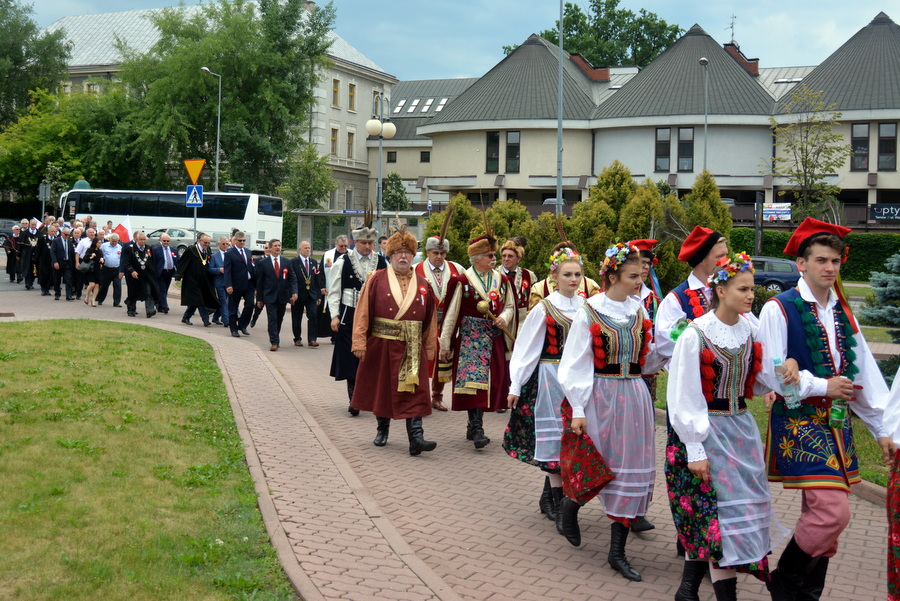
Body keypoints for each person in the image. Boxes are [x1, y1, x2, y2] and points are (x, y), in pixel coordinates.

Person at [757, 218, 893, 601]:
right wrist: (822, 385)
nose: (830, 268)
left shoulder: (843, 312)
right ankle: (785, 580)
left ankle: (805, 593)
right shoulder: (778, 308)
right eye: (821, 260)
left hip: (837, 425)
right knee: (832, 513)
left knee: (824, 519)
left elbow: (863, 371)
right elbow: (772, 373)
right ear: (801, 263)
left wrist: (882, 427)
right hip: (799, 421)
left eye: (835, 260)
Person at [667, 252, 789, 601]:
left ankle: (688, 589)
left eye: (752, 289)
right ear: (720, 290)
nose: (751, 296)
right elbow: (684, 395)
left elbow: (763, 380)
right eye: (743, 289)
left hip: (741, 429)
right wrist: (695, 447)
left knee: (736, 516)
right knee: (715, 517)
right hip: (707, 431)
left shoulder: (751, 329)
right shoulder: (696, 334)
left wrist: (787, 375)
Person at [557, 242, 663, 582]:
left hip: (634, 396)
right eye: (632, 275)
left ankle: (617, 552)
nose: (639, 281)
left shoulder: (639, 310)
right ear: (613, 275)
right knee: (596, 464)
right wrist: (577, 406)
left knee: (630, 469)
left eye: (641, 274)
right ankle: (569, 507)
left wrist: (672, 350)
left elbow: (645, 358)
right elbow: (574, 362)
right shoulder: (590, 310)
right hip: (600, 395)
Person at [503, 243, 585, 528]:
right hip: (550, 377)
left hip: (578, 380)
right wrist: (516, 385)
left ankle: (551, 497)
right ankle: (557, 500)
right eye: (567, 275)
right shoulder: (545, 308)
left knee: (573, 439)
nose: (573, 280)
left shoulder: (586, 307)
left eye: (577, 274)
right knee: (555, 439)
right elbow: (526, 348)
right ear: (555, 277)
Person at [350, 228, 438, 455]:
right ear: (390, 255)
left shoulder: (423, 284)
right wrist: (359, 342)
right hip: (382, 344)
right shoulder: (376, 279)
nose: (403, 257)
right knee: (383, 389)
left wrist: (430, 347)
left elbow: (430, 319)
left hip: (412, 347)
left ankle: (416, 438)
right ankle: (382, 429)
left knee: (415, 391)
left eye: (407, 253)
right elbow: (363, 313)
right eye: (398, 252)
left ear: (413, 256)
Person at [438, 231, 515, 449]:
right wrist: (445, 344)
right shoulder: (462, 281)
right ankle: (478, 428)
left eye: (494, 255)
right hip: (471, 339)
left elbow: (509, 306)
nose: (494, 259)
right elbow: (452, 313)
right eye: (490, 255)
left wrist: (503, 318)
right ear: (477, 258)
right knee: (474, 385)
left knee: (490, 384)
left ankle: (473, 426)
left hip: (494, 338)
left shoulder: (503, 280)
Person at [328, 221, 387, 415]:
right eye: (363, 243)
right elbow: (334, 291)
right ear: (355, 242)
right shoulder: (343, 261)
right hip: (349, 313)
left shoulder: (381, 262)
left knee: (370, 356)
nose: (367, 247)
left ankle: (367, 396)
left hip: (373, 315)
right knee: (349, 357)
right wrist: (334, 316)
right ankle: (354, 399)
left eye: (370, 243)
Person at [656, 226, 730, 364]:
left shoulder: (730, 292)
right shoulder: (675, 299)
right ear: (701, 260)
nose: (726, 261)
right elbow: (664, 344)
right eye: (719, 256)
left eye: (726, 255)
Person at [414, 235, 464, 412]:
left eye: (443, 253)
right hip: (424, 324)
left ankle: (437, 396)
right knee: (421, 359)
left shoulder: (457, 269)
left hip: (447, 324)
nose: (439, 256)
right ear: (427, 252)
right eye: (435, 252)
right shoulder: (416, 269)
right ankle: (419, 396)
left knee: (444, 360)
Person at [255, 239, 298, 351]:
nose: (278, 248)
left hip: (283, 296)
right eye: (275, 246)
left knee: (279, 318)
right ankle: (274, 341)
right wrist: (259, 298)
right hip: (269, 296)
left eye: (279, 245)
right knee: (272, 319)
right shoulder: (263, 263)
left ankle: (275, 336)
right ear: (270, 248)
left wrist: (294, 292)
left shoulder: (286, 262)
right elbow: (260, 282)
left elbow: (292, 278)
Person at [176, 233, 218, 326]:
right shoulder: (191, 250)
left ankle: (186, 317)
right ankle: (206, 320)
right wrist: (178, 275)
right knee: (199, 300)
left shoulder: (207, 250)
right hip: (191, 280)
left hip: (203, 280)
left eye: (208, 243)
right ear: (199, 240)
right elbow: (182, 262)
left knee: (195, 301)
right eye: (205, 242)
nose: (207, 244)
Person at [223, 231, 256, 337]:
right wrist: (228, 285)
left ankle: (242, 325)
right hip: (235, 285)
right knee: (233, 307)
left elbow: (251, 267)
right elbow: (227, 271)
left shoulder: (248, 252)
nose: (242, 242)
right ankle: (233, 329)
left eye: (244, 240)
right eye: (240, 240)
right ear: (235, 240)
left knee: (250, 305)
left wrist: (255, 285)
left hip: (248, 284)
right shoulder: (229, 253)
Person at [290, 240, 322, 347]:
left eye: (309, 248)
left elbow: (317, 279)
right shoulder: (294, 262)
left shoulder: (313, 262)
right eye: (305, 248)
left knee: (313, 315)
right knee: (297, 317)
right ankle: (297, 338)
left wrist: (318, 295)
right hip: (298, 294)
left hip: (311, 294)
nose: (308, 250)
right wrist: (292, 293)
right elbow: (291, 279)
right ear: (300, 250)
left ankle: (312, 339)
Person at [122, 231, 159, 317]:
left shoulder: (148, 248)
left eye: (144, 239)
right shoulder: (130, 249)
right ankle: (131, 310)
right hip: (134, 276)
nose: (143, 241)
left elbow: (151, 261)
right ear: (136, 239)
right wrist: (132, 271)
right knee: (133, 292)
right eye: (141, 239)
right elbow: (127, 262)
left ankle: (149, 310)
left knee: (149, 291)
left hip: (146, 275)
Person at [320, 235, 349, 341]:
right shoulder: (328, 255)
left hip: (345, 288)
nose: (344, 248)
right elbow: (322, 272)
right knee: (333, 311)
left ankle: (340, 335)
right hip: (332, 287)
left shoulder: (350, 255)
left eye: (345, 246)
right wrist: (322, 286)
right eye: (341, 246)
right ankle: (334, 335)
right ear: (336, 244)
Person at [208, 236, 231, 326]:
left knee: (226, 300)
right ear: (219, 244)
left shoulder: (230, 254)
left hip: (228, 282)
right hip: (219, 281)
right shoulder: (214, 256)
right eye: (223, 244)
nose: (225, 246)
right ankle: (226, 320)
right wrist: (219, 270)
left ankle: (216, 317)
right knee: (223, 300)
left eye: (227, 244)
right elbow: (210, 269)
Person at [152, 233, 178, 314]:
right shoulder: (156, 250)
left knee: (165, 290)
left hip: (169, 272)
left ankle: (159, 306)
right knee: (162, 290)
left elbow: (177, 261)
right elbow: (153, 262)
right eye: (164, 241)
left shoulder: (174, 250)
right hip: (161, 273)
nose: (166, 242)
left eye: (168, 241)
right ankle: (165, 306)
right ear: (161, 240)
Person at [96, 233, 124, 307]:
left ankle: (116, 302)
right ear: (110, 240)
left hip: (117, 269)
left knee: (117, 286)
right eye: (112, 241)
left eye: (115, 241)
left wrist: (122, 270)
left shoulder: (120, 247)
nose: (114, 243)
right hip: (106, 269)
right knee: (104, 286)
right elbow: (99, 253)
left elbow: (122, 259)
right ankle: (100, 299)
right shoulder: (104, 246)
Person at [50, 226, 76, 301]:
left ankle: (69, 295)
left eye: (68, 235)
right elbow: (52, 252)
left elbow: (71, 252)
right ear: (62, 233)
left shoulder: (69, 241)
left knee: (68, 279)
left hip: (67, 263)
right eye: (66, 234)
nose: (67, 236)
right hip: (58, 262)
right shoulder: (56, 241)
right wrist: (55, 262)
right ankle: (57, 293)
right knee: (57, 279)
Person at [80, 235, 104, 307]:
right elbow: (85, 259)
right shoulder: (90, 250)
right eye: (99, 243)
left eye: (101, 243)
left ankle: (93, 300)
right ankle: (87, 296)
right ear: (95, 243)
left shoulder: (100, 251)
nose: (100, 244)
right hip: (91, 269)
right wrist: (91, 257)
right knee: (92, 284)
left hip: (97, 269)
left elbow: (101, 260)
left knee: (97, 285)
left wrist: (102, 261)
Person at [37, 224, 57, 296]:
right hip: (44, 259)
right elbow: (38, 248)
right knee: (44, 274)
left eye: (54, 231)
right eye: (52, 231)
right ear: (48, 231)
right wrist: (36, 258)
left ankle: (48, 288)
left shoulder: (56, 239)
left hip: (52, 260)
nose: (53, 233)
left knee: (51, 275)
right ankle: (43, 289)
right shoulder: (43, 238)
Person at [19, 219, 38, 287]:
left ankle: (31, 282)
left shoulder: (38, 233)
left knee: (34, 269)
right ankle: (27, 283)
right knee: (27, 268)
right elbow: (20, 245)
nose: (33, 226)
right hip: (26, 254)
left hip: (36, 255)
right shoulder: (24, 233)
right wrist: (18, 254)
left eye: (35, 225)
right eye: (32, 224)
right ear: (30, 224)